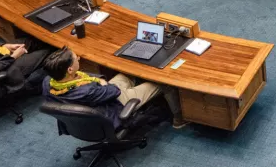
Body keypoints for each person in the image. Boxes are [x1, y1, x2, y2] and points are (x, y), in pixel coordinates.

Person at [41, 47, 184, 129]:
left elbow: (93, 85)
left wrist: (100, 84)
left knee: (128, 73)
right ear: (70, 69)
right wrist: (103, 84)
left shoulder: (49, 82)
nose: (78, 57)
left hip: (97, 101)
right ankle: (179, 119)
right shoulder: (87, 91)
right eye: (75, 58)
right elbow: (114, 91)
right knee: (164, 82)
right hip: (114, 106)